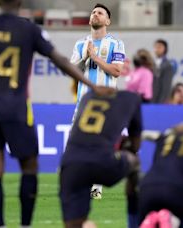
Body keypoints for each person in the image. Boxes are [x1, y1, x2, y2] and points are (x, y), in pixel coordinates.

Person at [0, 0, 112, 227]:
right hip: (16, 108)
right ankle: (25, 224)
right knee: (30, 166)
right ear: (20, 2)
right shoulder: (29, 30)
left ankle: (0, 224)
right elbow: (60, 60)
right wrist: (91, 85)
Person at [59, 90, 142, 228]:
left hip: (71, 163)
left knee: (75, 223)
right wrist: (126, 151)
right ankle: (133, 222)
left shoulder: (87, 96)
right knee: (134, 161)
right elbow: (135, 145)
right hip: (103, 162)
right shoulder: (131, 98)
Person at [70, 2, 126, 202]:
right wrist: (85, 57)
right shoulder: (80, 44)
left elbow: (117, 71)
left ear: (107, 21)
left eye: (100, 13)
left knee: (101, 145)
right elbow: (71, 70)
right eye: (93, 12)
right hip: (83, 102)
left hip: (106, 103)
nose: (95, 14)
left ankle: (96, 187)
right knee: (76, 144)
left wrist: (95, 57)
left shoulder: (116, 44)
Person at [152, 39, 174, 104]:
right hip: (152, 99)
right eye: (155, 47)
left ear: (165, 49)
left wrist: (161, 103)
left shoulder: (167, 65)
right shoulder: (152, 63)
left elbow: (166, 87)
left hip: (160, 101)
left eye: (159, 47)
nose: (157, 49)